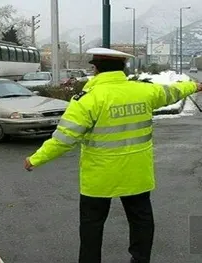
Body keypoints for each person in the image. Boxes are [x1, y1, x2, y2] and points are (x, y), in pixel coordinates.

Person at [23, 47, 202, 263]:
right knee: (141, 220)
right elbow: (172, 91)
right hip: (137, 174)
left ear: (96, 69)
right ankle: (140, 259)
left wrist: (36, 158)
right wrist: (195, 85)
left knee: (92, 226)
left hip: (99, 178)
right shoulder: (143, 91)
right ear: (123, 68)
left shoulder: (88, 99)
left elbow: (64, 139)